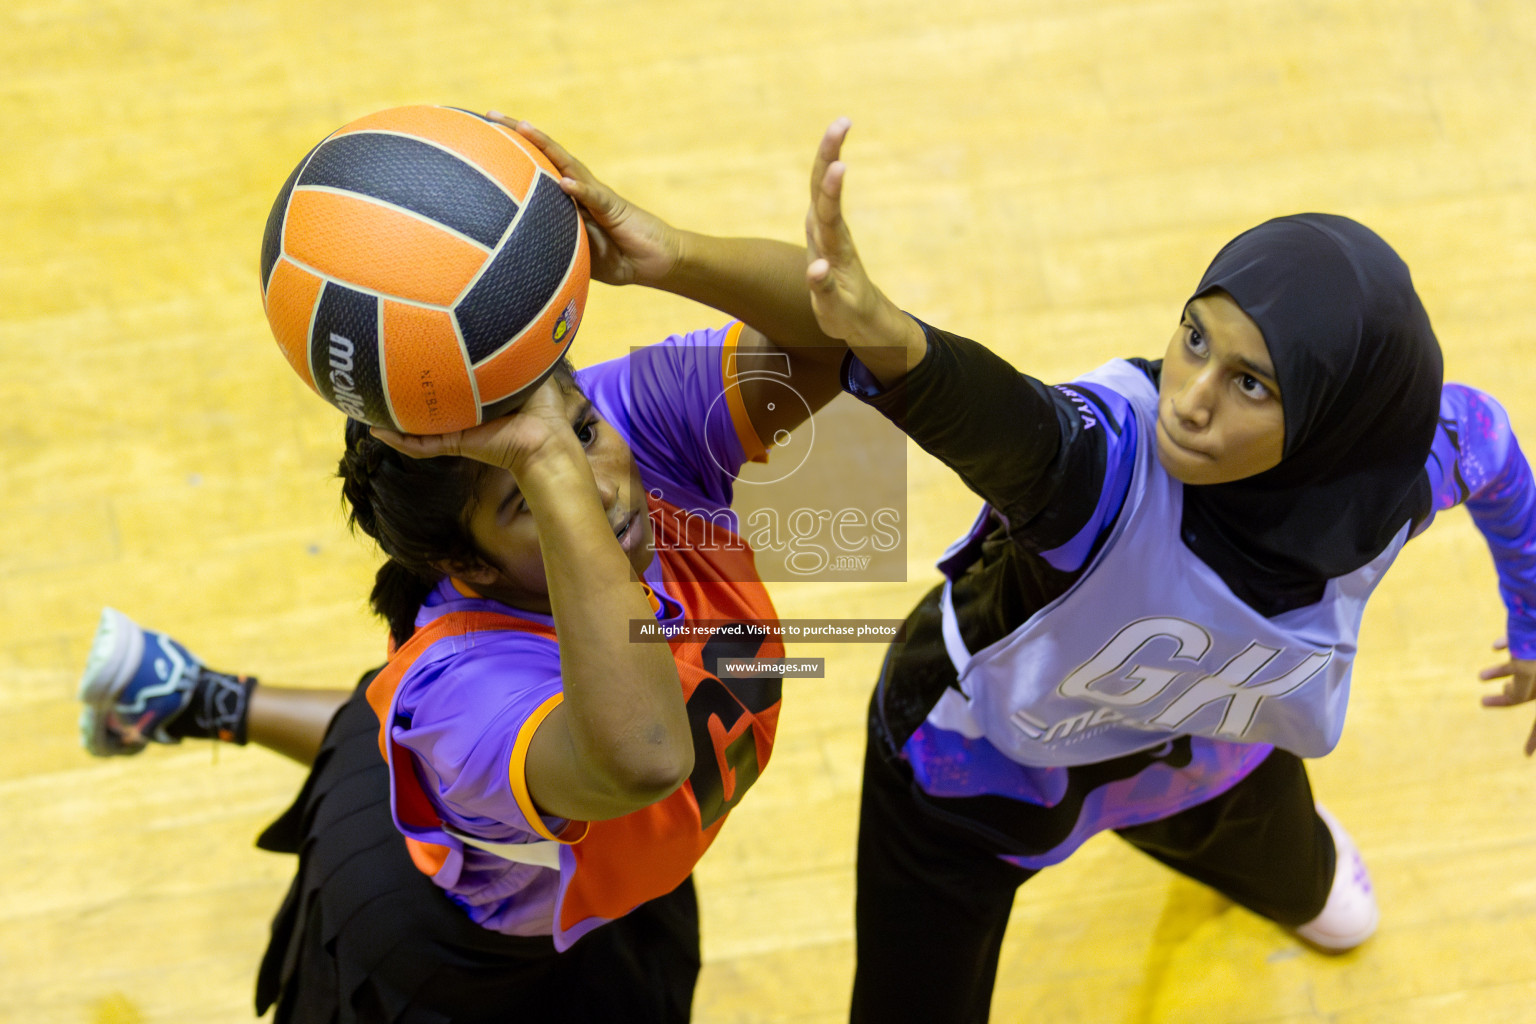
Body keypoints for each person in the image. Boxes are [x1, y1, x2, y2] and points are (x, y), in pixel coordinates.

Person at [75, 116, 850, 1024]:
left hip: (573, 851)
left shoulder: (639, 430)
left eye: (586, 429)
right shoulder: (461, 691)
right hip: (447, 957)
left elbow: (837, 341)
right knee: (378, 752)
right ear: (464, 562)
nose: (600, 487)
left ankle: (192, 696)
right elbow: (645, 760)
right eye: (530, 493)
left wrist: (666, 254)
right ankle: (193, 698)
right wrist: (551, 456)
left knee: (375, 739)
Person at [800, 118, 1536, 1023]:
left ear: (1336, 422)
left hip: (1204, 748)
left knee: (1318, 901)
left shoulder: (1397, 470)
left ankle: (1276, 860)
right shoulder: (1102, 464)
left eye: (1251, 383)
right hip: (979, 767)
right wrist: (877, 329)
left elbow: (1499, 460)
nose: (1188, 403)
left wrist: (1532, 622)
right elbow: (1003, 421)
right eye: (1194, 340)